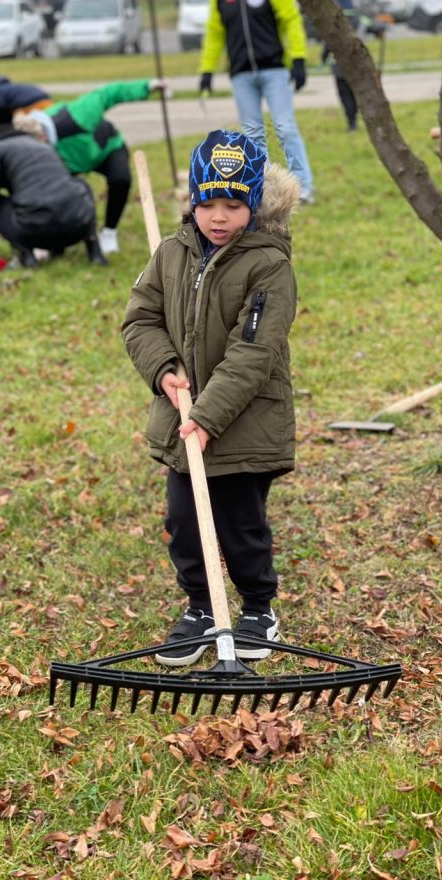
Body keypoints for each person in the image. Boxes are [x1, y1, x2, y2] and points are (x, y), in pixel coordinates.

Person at [122, 129, 298, 665]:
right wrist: (163, 369)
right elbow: (140, 320)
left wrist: (209, 415)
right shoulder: (171, 253)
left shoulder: (269, 264)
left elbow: (254, 351)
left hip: (245, 421)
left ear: (254, 205)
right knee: (184, 522)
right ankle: (201, 607)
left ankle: (258, 609)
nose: (218, 217)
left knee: (240, 524)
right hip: (183, 418)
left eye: (233, 206)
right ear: (192, 201)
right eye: (207, 204)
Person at [0, 76, 171, 256]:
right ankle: (54, 243)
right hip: (71, 164)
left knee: (120, 179)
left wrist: (147, 86)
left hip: (105, 149)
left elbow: (109, 93)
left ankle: (109, 232)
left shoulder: (77, 115)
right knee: (65, 193)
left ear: (42, 137)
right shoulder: (40, 153)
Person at [199, 0, 314, 204]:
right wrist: (207, 70)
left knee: (285, 127)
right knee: (252, 134)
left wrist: (298, 58)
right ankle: (265, 189)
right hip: (241, 74)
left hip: (274, 70)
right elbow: (214, 34)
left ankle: (303, 186)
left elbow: (291, 21)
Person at [0, 107, 106, 268]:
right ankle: (94, 250)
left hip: (35, 231)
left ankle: (26, 255)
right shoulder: (44, 146)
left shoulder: (1, 148)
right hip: (77, 227)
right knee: (79, 187)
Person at [322, 0, 387, 131]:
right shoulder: (361, 20)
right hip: (358, 65)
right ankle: (371, 121)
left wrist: (323, 58)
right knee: (360, 93)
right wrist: (381, 30)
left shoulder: (332, 22)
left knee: (345, 95)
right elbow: (376, 27)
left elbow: (327, 44)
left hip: (339, 67)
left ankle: (352, 123)